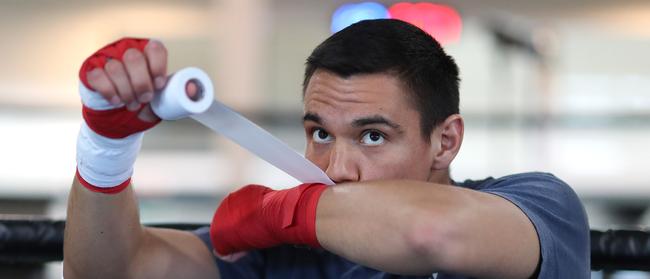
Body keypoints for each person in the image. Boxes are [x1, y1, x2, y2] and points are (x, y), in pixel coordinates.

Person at [63, 19, 590, 279]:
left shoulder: (539, 205)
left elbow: (432, 232)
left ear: (445, 141)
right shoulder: (297, 252)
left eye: (373, 136)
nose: (337, 168)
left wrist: (282, 211)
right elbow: (115, 271)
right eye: (320, 133)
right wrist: (107, 144)